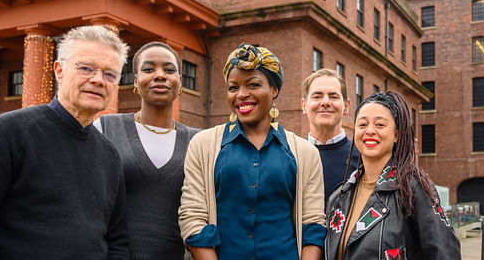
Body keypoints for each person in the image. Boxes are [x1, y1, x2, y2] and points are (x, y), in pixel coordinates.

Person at [179, 43, 326, 260]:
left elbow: (313, 225)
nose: (241, 94)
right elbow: (192, 217)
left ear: (274, 90)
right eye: (233, 87)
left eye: (253, 85)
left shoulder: (305, 153)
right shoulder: (202, 145)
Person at [0, 26, 130, 259]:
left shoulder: (110, 156)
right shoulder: (9, 133)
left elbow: (117, 239)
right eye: (86, 68)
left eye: (110, 74)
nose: (98, 80)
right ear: (59, 70)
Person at [94, 41, 200, 260]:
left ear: (180, 82)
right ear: (135, 81)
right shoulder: (105, 128)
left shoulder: (199, 141)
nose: (160, 75)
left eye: (169, 70)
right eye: (149, 69)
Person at [324, 91, 461, 260]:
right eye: (362, 125)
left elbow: (445, 253)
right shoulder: (339, 197)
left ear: (396, 135)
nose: (370, 131)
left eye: (380, 125)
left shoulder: (412, 189)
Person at [301, 69, 359, 202]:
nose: (325, 102)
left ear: (346, 106)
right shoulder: (291, 156)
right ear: (304, 106)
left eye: (333, 96)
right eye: (317, 96)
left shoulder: (363, 158)